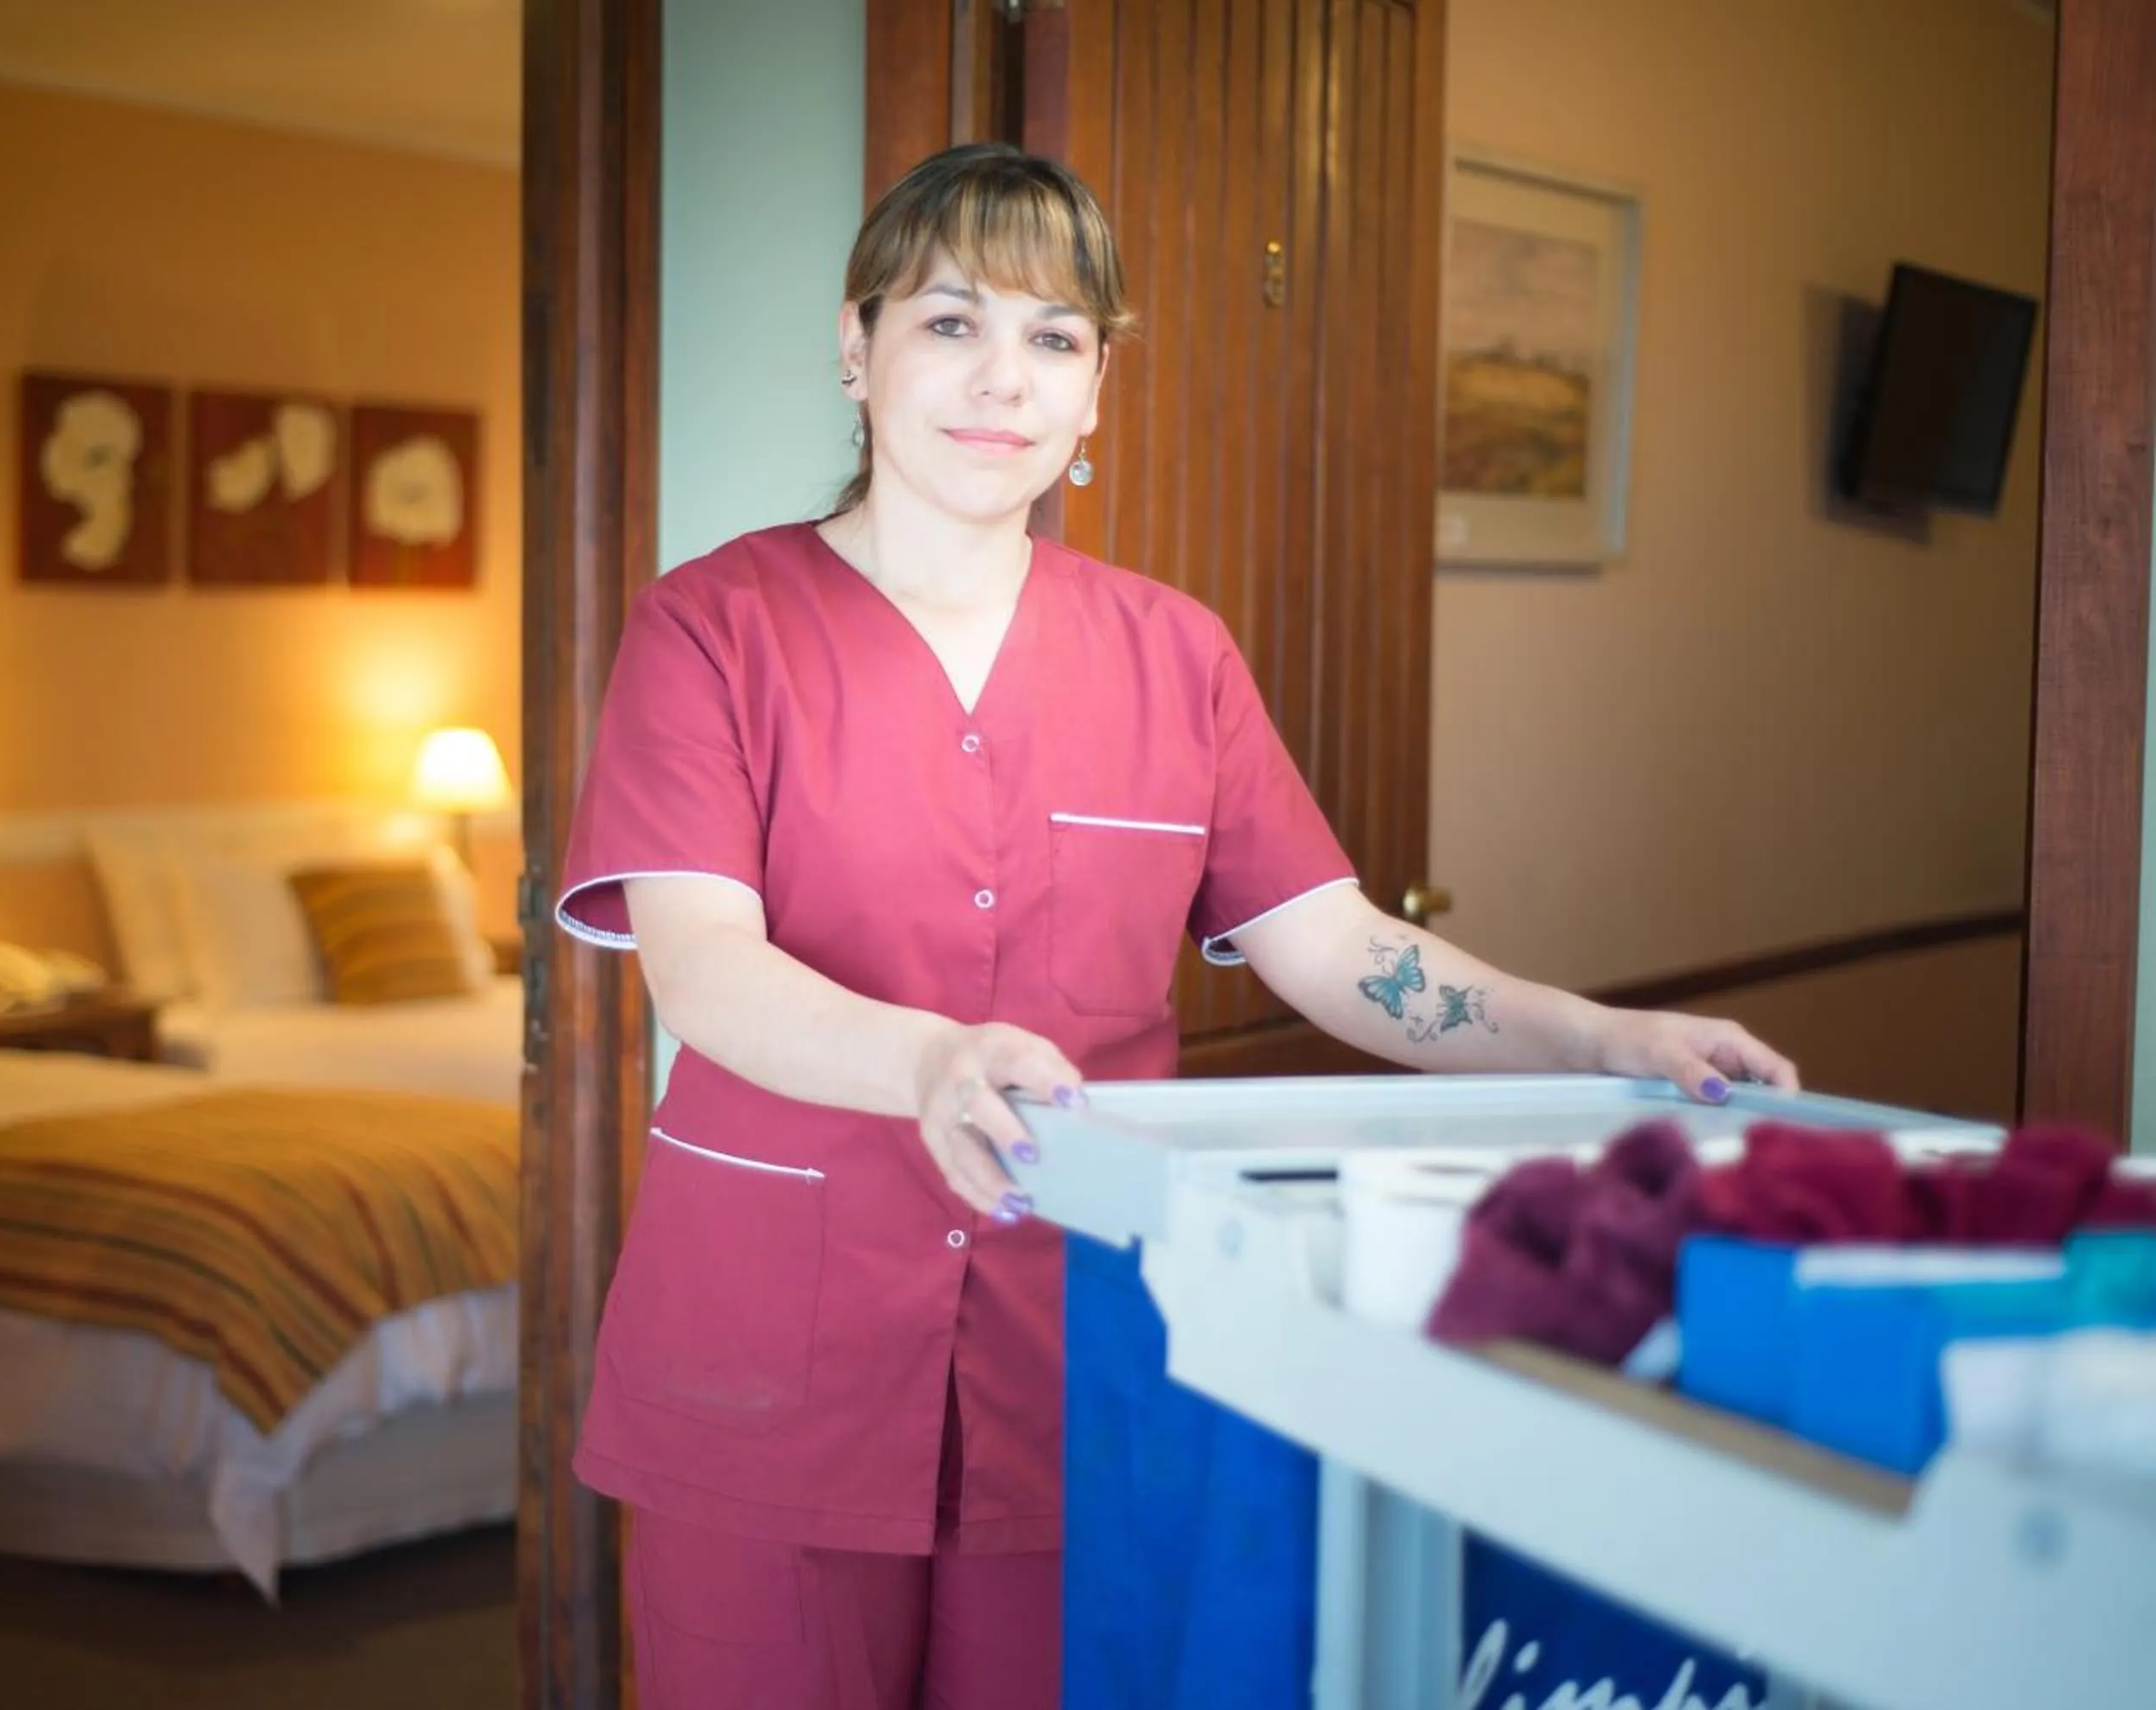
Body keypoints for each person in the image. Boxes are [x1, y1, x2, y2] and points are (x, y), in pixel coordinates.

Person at [554, 142, 1799, 1710]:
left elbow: (1334, 945)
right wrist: (932, 1059)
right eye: (951, 323)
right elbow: (703, 968)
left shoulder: (1175, 657)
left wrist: (1597, 1031)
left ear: (1094, 395)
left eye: (1055, 338)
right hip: (763, 1370)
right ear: (856, 348)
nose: (1003, 376)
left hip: (1075, 1362)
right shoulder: (712, 628)